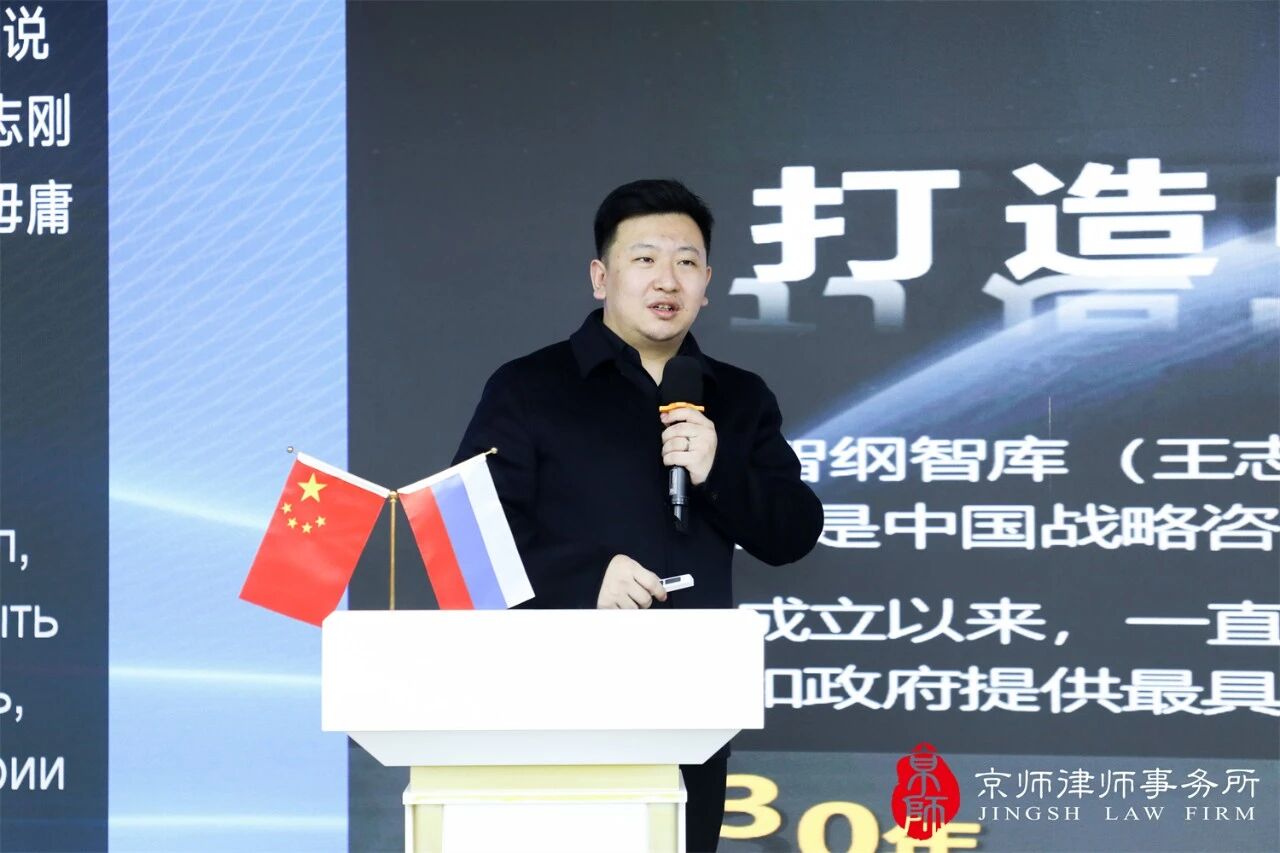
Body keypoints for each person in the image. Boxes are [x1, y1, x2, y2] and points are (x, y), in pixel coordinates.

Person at [453, 178, 822, 852]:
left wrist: (718, 472)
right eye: (644, 258)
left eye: (687, 262)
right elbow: (466, 535)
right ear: (602, 277)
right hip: (551, 698)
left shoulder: (738, 397)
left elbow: (793, 531)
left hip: (690, 705)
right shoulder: (529, 386)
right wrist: (582, 577)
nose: (667, 279)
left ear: (707, 284)